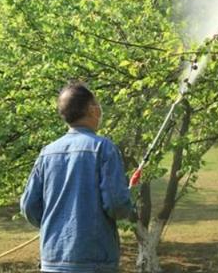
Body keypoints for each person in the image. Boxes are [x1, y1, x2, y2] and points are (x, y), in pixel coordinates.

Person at [20, 82, 133, 273]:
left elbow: (28, 206)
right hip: (94, 261)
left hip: (52, 260)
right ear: (91, 110)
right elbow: (116, 205)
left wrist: (54, 224)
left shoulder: (47, 153)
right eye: (97, 104)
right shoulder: (103, 148)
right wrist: (128, 202)